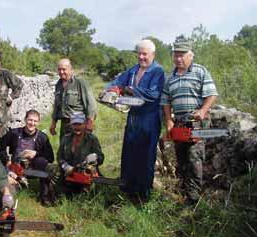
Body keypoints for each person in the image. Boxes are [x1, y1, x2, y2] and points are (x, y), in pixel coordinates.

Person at [106, 39, 165, 203]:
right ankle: (127, 187)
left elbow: (153, 94)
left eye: (144, 54)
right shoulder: (133, 70)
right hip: (133, 117)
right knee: (129, 152)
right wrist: (113, 88)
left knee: (146, 155)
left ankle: (143, 193)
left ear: (152, 54)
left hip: (150, 117)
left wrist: (130, 90)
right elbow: (117, 81)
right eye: (139, 53)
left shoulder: (158, 72)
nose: (141, 57)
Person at [160, 39, 218, 202]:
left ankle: (193, 198)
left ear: (190, 55)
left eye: (182, 55)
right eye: (176, 55)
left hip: (196, 122)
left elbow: (211, 94)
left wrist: (203, 110)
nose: (178, 59)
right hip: (178, 122)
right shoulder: (169, 77)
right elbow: (165, 101)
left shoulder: (200, 71)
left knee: (194, 158)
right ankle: (184, 191)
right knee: (181, 158)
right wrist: (169, 122)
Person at [0, 109, 56, 206]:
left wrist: (36, 154)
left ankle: (45, 196)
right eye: (30, 120)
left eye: (35, 121)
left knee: (44, 164)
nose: (32, 123)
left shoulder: (42, 137)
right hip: (16, 169)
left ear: (38, 122)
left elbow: (50, 157)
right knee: (11, 191)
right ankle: (16, 189)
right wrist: (7, 161)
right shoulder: (14, 133)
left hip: (34, 169)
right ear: (25, 120)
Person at [57, 112, 104, 195]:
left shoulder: (92, 139)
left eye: (80, 124)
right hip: (69, 172)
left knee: (91, 176)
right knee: (54, 171)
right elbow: (59, 157)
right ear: (71, 125)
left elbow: (101, 158)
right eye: (74, 124)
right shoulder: (66, 139)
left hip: (85, 172)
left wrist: (94, 158)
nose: (77, 127)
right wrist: (66, 167)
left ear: (85, 124)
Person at [50, 58, 97, 140]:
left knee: (79, 150)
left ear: (71, 69)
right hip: (64, 124)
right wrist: (53, 123)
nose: (61, 72)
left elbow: (91, 104)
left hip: (79, 123)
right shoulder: (58, 84)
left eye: (64, 69)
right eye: (59, 69)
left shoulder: (80, 83)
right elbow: (56, 106)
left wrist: (90, 122)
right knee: (64, 149)